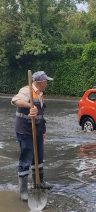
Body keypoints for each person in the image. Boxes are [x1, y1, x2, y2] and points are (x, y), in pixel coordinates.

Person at [11, 71, 53, 201]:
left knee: (39, 157)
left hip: (38, 130)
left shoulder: (40, 93)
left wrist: (43, 131)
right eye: (46, 81)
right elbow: (15, 100)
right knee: (26, 158)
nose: (47, 84)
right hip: (25, 131)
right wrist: (30, 105)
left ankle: (39, 182)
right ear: (40, 82)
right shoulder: (26, 90)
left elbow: (41, 115)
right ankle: (23, 190)